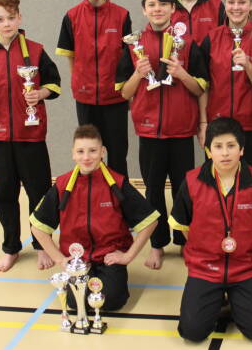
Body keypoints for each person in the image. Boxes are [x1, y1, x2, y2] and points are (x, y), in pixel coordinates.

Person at [115, 0, 208, 270]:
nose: (157, 9)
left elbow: (200, 87)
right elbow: (124, 93)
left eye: (163, 4)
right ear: (144, 10)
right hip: (149, 131)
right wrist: (138, 74)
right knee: (153, 190)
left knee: (183, 190)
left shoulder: (188, 43)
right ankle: (157, 245)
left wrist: (182, 73)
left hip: (181, 131)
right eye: (152, 4)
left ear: (172, 8)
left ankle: (184, 242)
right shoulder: (133, 45)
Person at [0, 0, 61, 272]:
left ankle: (42, 245)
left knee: (39, 193)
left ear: (19, 18)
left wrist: (40, 93)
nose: (6, 23)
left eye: (10, 18)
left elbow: (54, 83)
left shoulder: (36, 50)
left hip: (31, 134)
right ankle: (11, 248)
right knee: (4, 194)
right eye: (0, 19)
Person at [169, 117, 252, 342]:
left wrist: (247, 251)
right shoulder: (191, 181)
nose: (225, 153)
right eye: (218, 146)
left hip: (246, 269)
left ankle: (236, 301)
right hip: (205, 268)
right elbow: (184, 227)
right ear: (209, 151)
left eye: (231, 146)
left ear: (242, 149)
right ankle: (217, 298)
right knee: (191, 333)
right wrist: (205, 250)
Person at [29, 124, 158, 311]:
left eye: (93, 151)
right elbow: (38, 227)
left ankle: (112, 278)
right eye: (80, 151)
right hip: (78, 260)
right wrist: (60, 259)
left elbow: (150, 221)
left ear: (102, 152)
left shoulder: (117, 183)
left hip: (109, 258)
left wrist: (128, 256)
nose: (86, 157)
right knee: (75, 303)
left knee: (112, 301)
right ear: (73, 154)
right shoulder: (62, 185)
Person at [55, 0, 132, 175]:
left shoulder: (122, 15)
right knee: (89, 156)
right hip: (86, 99)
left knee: (117, 155)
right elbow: (70, 56)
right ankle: (93, 194)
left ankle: (118, 195)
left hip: (115, 98)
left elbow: (128, 58)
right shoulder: (71, 16)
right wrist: (79, 84)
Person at [198, 0, 252, 170]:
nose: (236, 7)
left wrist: (247, 65)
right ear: (225, 4)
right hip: (217, 126)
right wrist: (203, 123)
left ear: (251, 5)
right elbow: (203, 86)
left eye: (242, 2)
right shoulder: (211, 39)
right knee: (217, 183)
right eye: (231, 2)